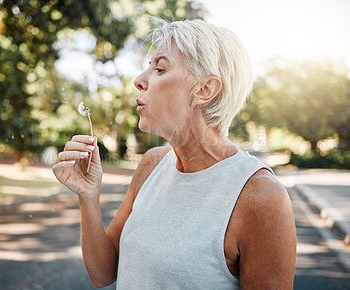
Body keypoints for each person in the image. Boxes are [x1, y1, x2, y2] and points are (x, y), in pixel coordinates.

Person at [52, 18, 297, 289]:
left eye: (160, 68)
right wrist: (88, 196)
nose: (138, 80)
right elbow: (103, 273)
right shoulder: (151, 164)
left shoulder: (261, 197)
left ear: (204, 90)